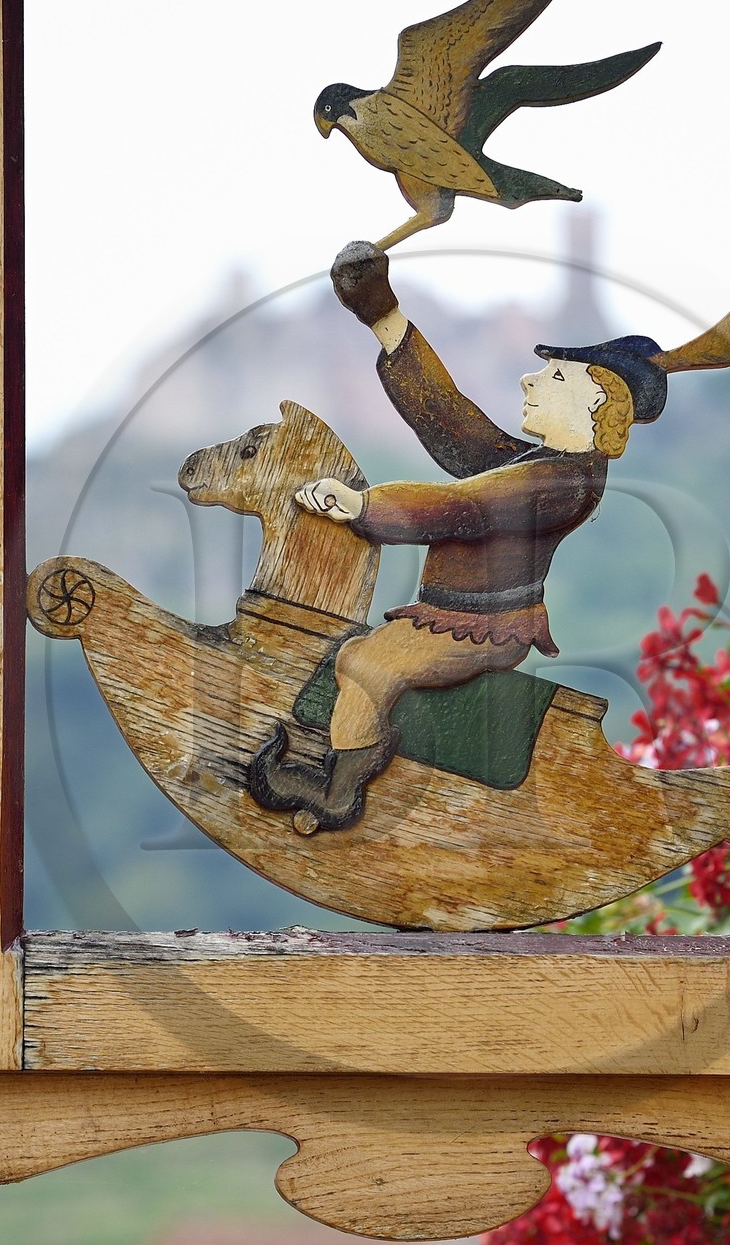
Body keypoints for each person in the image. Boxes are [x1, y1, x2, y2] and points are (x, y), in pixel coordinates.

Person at [245, 241, 669, 833]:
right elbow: (450, 422)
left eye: (552, 375)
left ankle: (340, 792)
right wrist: (384, 320)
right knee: (355, 656)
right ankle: (345, 760)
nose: (529, 380)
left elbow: (460, 506)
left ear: (593, 398)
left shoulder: (562, 484)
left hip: (482, 628)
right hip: (444, 615)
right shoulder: (536, 464)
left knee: (371, 666)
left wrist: (363, 506)